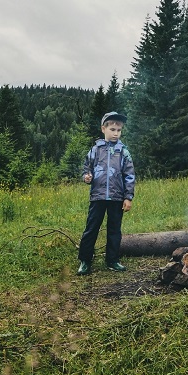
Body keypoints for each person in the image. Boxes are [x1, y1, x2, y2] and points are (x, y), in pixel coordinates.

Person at [77, 112, 135, 275]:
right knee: (91, 228)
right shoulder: (96, 149)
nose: (116, 133)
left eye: (119, 130)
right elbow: (86, 167)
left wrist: (128, 197)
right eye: (112, 129)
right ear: (104, 129)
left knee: (114, 229)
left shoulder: (124, 151)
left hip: (117, 197)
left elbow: (130, 175)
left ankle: (112, 260)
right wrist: (86, 177)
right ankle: (85, 260)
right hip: (98, 196)